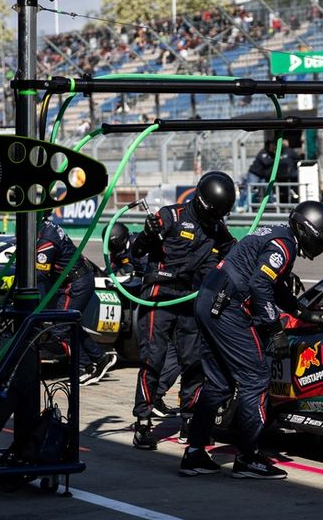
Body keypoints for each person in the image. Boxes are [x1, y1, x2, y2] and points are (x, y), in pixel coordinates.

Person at [180, 201, 323, 479]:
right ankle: (248, 457)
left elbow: (274, 286)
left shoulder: (278, 235)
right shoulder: (283, 246)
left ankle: (194, 453)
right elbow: (260, 284)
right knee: (255, 378)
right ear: (309, 231)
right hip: (227, 306)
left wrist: (302, 312)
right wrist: (275, 329)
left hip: (209, 299)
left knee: (218, 382)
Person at [130, 172, 237, 449]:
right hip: (159, 297)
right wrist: (147, 233)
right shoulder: (170, 216)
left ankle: (190, 420)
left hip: (191, 299)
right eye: (214, 214)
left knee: (194, 361)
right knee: (152, 358)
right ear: (202, 202)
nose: (216, 220)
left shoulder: (217, 228)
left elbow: (237, 253)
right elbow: (136, 252)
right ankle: (143, 421)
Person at [107, 222, 178, 417]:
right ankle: (151, 400)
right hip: (148, 297)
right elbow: (112, 269)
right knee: (158, 350)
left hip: (159, 295)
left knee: (171, 351)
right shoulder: (117, 251)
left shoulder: (142, 244)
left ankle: (154, 398)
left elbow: (152, 272)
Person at [36, 214, 110, 386]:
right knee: (70, 325)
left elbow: (40, 273)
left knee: (61, 328)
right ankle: (100, 358)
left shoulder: (46, 237)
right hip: (79, 279)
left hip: (76, 283)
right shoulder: (47, 227)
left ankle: (85, 368)